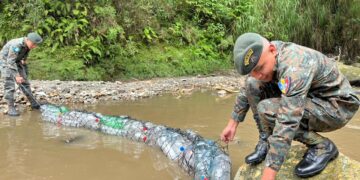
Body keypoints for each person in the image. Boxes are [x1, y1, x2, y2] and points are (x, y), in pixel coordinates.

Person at [220, 32, 359, 179]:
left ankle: (322, 146)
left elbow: (287, 121)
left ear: (272, 50)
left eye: (260, 68)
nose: (258, 74)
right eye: (252, 71)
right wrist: (232, 124)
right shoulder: (268, 56)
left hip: (338, 106)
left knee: (266, 110)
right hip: (312, 96)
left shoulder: (295, 66)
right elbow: (246, 90)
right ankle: (265, 140)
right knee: (251, 84)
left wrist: (268, 174)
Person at [0, 32, 43, 116]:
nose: (34, 46)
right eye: (33, 44)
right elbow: (10, 61)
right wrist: (16, 76)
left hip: (17, 61)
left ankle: (34, 103)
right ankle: (11, 108)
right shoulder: (17, 45)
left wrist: (23, 70)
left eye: (36, 45)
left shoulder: (28, 45)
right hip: (5, 62)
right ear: (28, 40)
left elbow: (24, 55)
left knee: (25, 82)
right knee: (9, 84)